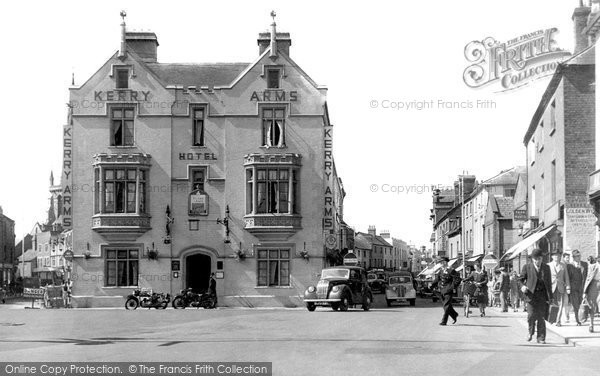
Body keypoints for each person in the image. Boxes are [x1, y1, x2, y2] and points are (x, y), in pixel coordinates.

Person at [520, 248, 552, 344]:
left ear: (542, 258)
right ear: (532, 259)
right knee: (531, 316)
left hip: (542, 296)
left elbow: (549, 283)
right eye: (536, 259)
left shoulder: (546, 267)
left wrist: (551, 297)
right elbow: (520, 279)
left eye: (540, 259)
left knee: (541, 317)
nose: (538, 261)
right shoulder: (527, 267)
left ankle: (541, 337)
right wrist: (522, 286)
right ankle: (530, 332)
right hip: (531, 295)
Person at [432, 256, 461, 326]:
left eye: (441, 263)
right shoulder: (441, 270)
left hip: (448, 291)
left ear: (445, 262)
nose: (440, 264)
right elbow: (437, 279)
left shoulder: (451, 270)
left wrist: (451, 287)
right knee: (446, 306)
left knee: (446, 305)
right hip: (442, 291)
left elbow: (458, 279)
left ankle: (444, 321)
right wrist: (432, 285)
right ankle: (454, 314)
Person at [548, 250, 571, 327]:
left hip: (561, 287)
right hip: (551, 287)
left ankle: (558, 320)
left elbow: (566, 277)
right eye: (555, 255)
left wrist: (568, 287)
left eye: (558, 255)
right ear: (552, 256)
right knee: (552, 304)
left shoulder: (563, 265)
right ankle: (551, 319)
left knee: (560, 304)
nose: (557, 257)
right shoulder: (548, 265)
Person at [567, 249, 588, 326]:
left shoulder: (585, 264)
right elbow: (568, 277)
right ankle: (577, 320)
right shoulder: (569, 266)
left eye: (579, 256)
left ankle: (582, 318)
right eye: (577, 256)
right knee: (575, 304)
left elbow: (587, 276)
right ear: (573, 257)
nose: (579, 257)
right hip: (573, 288)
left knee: (581, 303)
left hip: (582, 287)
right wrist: (568, 287)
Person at [583, 256, 600, 333]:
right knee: (592, 305)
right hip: (594, 285)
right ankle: (591, 324)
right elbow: (588, 278)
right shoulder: (593, 267)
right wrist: (585, 291)